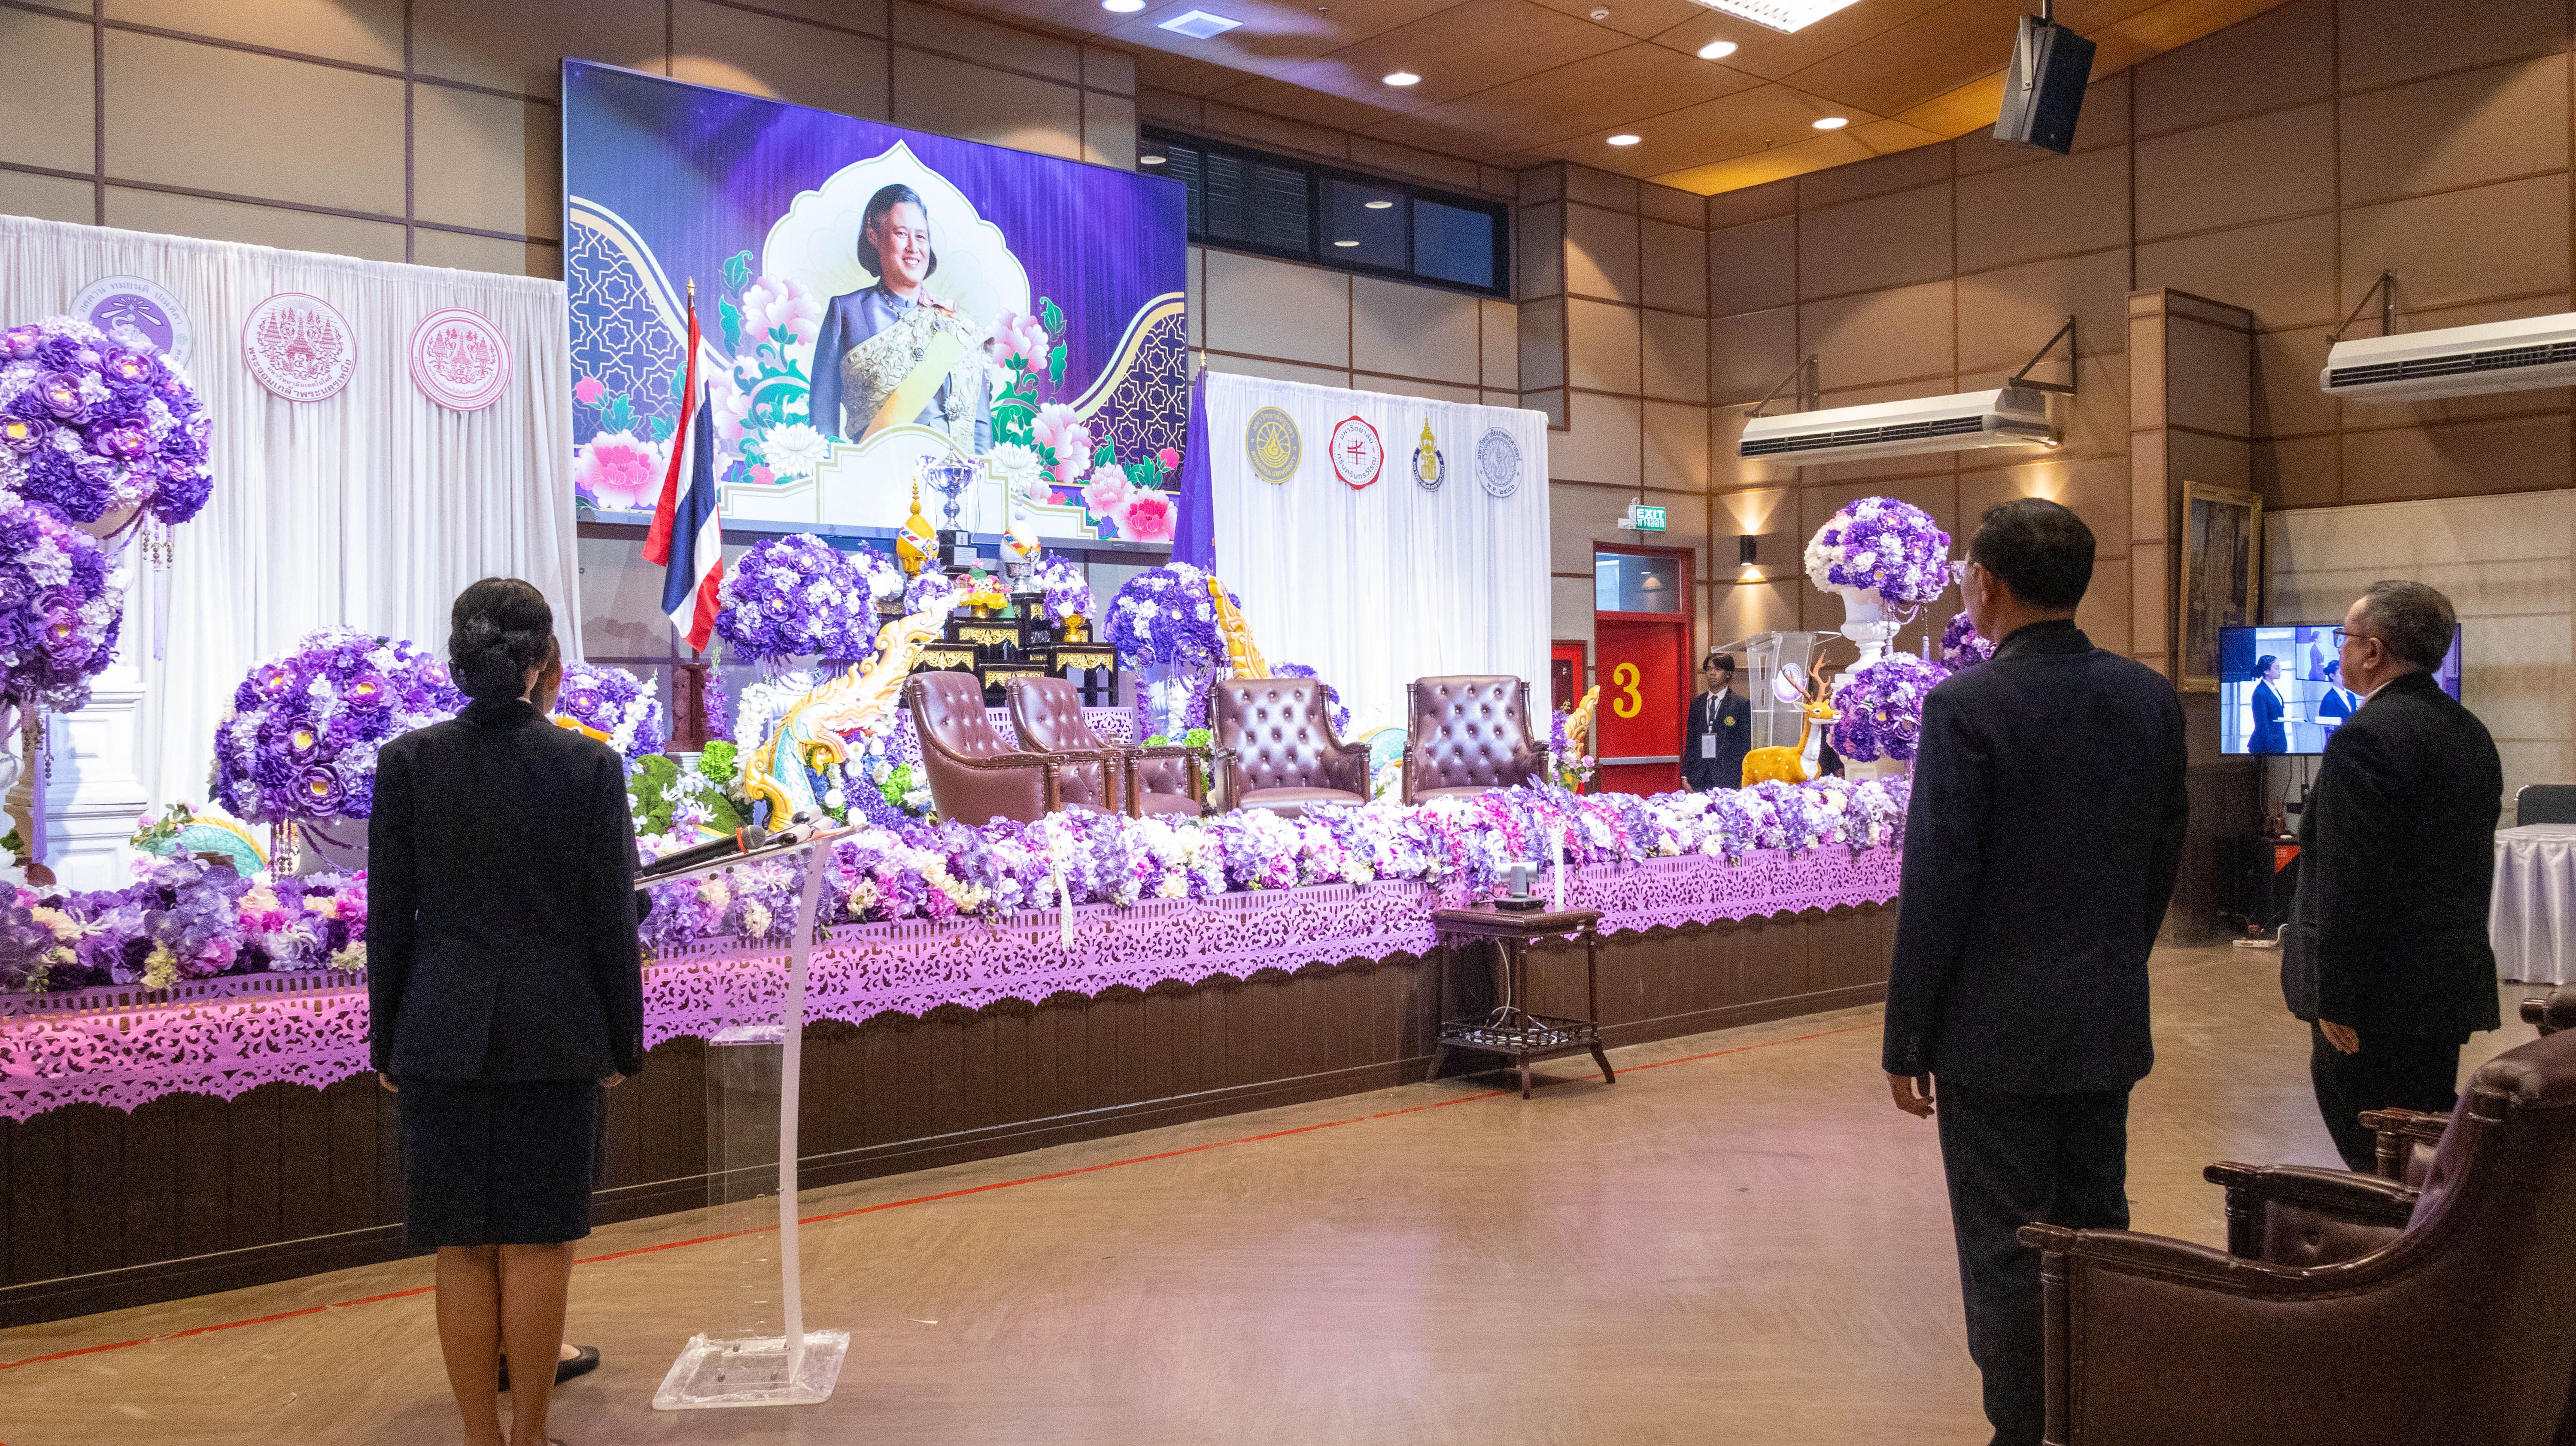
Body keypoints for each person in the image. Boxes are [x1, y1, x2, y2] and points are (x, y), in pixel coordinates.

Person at [1881, 498, 2189, 1446]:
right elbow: (2163, 853)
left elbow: (1939, 883)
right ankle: (2098, 1416)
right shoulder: (2147, 696)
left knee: (2009, 1247)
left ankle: (2025, 1429)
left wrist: (1907, 1038)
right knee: (2098, 1229)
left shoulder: (1967, 705)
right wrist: (2113, 959)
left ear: (1988, 582)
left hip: (1995, 1034)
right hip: (2104, 1014)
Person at [370, 578, 643, 1446]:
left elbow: (389, 920)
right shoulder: (588, 765)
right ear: (544, 661)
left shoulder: (408, 762)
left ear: (459, 658)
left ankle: (478, 1438)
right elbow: (610, 922)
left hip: (438, 1031)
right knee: (537, 1241)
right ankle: (529, 1435)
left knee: (460, 1245)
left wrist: (387, 1041)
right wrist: (622, 1043)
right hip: (556, 1032)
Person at [2282, 580, 2501, 1173]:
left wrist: (2337, 996)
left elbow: (2351, 878)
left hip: (2376, 998)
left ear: (2373, 651)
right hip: (2441, 986)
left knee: (2377, 1156)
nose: (2340, 649)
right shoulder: (2468, 730)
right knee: (2425, 1138)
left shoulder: (2365, 737)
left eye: (2344, 637)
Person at [808, 183, 992, 453]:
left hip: (955, 476)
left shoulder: (958, 325)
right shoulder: (847, 312)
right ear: (874, 237)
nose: (913, 247)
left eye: (921, 237)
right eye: (901, 234)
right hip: (879, 475)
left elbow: (981, 432)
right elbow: (823, 428)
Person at [1681, 652, 1750, 791]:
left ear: (1728, 674)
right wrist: (1685, 775)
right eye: (1709, 669)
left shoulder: (1741, 705)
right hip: (1699, 776)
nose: (1712, 673)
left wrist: (1742, 779)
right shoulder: (1697, 703)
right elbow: (1691, 741)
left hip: (1728, 777)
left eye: (1717, 669)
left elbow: (1745, 745)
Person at [2248, 654, 2288, 753]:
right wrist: (2271, 747)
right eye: (2277, 668)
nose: (2280, 671)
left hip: (2278, 741)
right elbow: (2262, 723)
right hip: (2266, 746)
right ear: (2267, 671)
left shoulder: (2272, 688)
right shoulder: (2260, 693)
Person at [2315, 658, 2359, 732]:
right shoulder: (2328, 700)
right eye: (2341, 673)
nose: (2345, 676)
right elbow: (2326, 728)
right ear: (2332, 676)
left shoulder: (2351, 696)